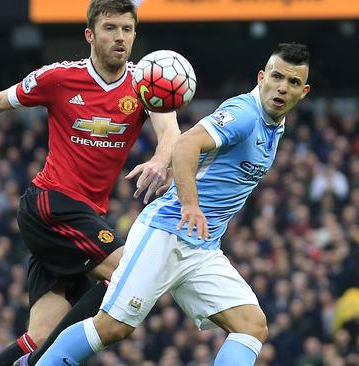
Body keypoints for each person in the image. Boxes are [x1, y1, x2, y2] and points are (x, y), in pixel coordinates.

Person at [0, 1, 180, 365]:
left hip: (83, 218)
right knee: (127, 273)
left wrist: (160, 160)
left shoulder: (146, 83)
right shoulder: (58, 77)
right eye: (110, 28)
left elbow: (170, 134)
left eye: (127, 30)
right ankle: (58, 356)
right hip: (51, 205)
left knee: (38, 338)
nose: (120, 37)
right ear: (90, 35)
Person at [33, 42, 311, 366]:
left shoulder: (275, 125)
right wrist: (190, 204)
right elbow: (186, 144)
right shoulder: (244, 114)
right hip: (166, 232)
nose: (281, 87)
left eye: (292, 82)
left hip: (201, 247)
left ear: (303, 92)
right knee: (111, 327)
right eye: (277, 76)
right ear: (262, 76)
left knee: (251, 325)